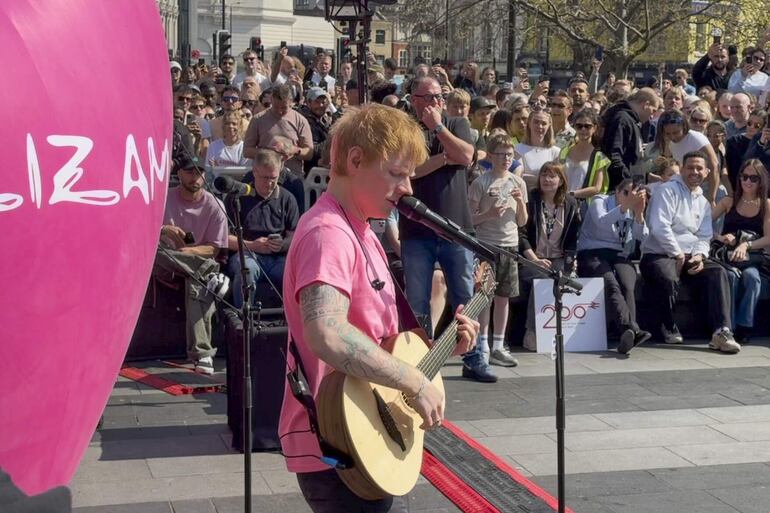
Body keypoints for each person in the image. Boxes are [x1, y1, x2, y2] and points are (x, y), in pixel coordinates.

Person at [278, 104, 479, 513]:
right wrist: (415, 382)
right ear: (355, 160)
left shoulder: (363, 231)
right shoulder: (328, 233)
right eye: (397, 173)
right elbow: (327, 333)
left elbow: (380, 341)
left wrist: (442, 349)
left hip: (367, 428)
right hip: (339, 438)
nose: (408, 186)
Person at [398, 77, 491, 382]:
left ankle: (474, 358)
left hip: (456, 228)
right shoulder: (406, 129)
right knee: (417, 300)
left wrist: (439, 128)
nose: (436, 102)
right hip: (416, 229)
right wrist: (442, 158)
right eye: (430, 97)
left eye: (440, 96)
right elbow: (411, 170)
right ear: (415, 100)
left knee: (465, 295)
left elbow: (466, 156)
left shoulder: (457, 122)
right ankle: (419, 360)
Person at [640, 151, 740, 352]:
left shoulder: (702, 201)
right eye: (690, 167)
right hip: (659, 253)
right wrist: (677, 253)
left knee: (718, 272)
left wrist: (700, 256)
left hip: (688, 254)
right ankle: (667, 326)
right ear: (682, 169)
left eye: (699, 168)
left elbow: (704, 236)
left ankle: (721, 331)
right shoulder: (666, 191)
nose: (694, 172)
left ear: (707, 172)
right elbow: (660, 227)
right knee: (666, 276)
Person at [155, 157, 229, 375]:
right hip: (163, 262)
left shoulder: (215, 205)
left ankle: (202, 355)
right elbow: (144, 233)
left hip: (191, 264)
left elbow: (214, 249)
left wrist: (185, 253)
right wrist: (163, 230)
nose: (195, 177)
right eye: (189, 172)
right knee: (153, 251)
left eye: (199, 172)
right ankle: (210, 276)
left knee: (196, 281)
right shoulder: (164, 198)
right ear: (179, 175)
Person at [468, 134, 528, 367]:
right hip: (486, 244)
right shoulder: (481, 182)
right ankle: (482, 342)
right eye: (501, 154)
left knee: (504, 297)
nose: (506, 159)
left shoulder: (518, 182)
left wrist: (520, 202)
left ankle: (498, 344)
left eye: (510, 155)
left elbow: (522, 222)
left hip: (510, 244)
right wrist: (489, 214)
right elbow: (470, 219)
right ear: (491, 156)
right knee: (485, 296)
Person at [577, 180, 651, 354]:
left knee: (627, 283)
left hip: (618, 254)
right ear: (616, 191)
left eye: (633, 194)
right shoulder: (599, 201)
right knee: (610, 282)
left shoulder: (633, 209)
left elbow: (643, 237)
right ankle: (631, 328)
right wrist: (625, 206)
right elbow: (602, 222)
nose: (629, 197)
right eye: (626, 193)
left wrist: (639, 214)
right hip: (592, 251)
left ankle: (629, 333)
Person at [519, 162, 581, 351]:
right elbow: (521, 235)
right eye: (544, 175)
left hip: (558, 260)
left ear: (561, 180)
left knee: (565, 279)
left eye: (552, 176)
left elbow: (572, 239)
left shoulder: (570, 204)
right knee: (544, 278)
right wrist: (534, 259)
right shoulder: (532, 199)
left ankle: (571, 335)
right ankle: (532, 334)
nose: (547, 179)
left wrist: (571, 262)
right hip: (531, 258)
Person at [226, 150, 299, 307]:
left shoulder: (287, 198)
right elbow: (223, 238)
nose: (270, 183)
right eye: (265, 178)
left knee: (295, 272)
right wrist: (253, 245)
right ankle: (243, 317)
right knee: (247, 270)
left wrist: (282, 244)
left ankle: (291, 321)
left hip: (277, 256)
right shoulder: (237, 197)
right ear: (254, 172)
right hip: (246, 253)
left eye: (274, 178)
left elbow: (294, 237)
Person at [711, 159, 770, 344]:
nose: (748, 182)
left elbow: (768, 237)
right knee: (731, 277)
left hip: (751, 257)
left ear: (761, 181)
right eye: (745, 176)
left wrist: (746, 245)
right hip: (728, 256)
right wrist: (720, 237)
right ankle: (730, 327)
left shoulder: (766, 204)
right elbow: (703, 225)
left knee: (752, 278)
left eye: (754, 178)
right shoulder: (730, 200)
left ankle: (745, 325)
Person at [243, 84, 313, 176]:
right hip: (265, 174)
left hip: (292, 174)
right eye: (276, 107)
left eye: (284, 108)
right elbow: (247, 151)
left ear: (291, 102)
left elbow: (309, 152)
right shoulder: (258, 119)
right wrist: (269, 153)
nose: (280, 111)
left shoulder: (300, 121)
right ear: (271, 99)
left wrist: (294, 150)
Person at [656, 109, 721, 204]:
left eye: (676, 132)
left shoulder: (696, 138)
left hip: (709, 188)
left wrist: (712, 198)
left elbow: (714, 166)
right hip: (689, 188)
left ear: (684, 126)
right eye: (668, 133)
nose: (673, 137)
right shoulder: (669, 142)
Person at [601, 88, 659, 190]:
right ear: (646, 104)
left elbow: (632, 160)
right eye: (653, 110)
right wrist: (630, 183)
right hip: (621, 191)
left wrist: (645, 176)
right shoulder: (622, 120)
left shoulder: (632, 122)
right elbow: (613, 156)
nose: (652, 116)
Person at [560, 108, 609, 200]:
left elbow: (597, 188)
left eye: (587, 126)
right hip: (562, 202)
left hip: (583, 206)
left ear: (594, 128)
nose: (583, 129)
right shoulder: (564, 151)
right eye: (579, 126)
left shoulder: (599, 156)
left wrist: (571, 194)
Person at [515, 109, 561, 189]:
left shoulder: (555, 152)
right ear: (529, 123)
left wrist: (531, 178)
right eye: (536, 122)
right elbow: (518, 177)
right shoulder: (518, 149)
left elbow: (558, 179)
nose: (540, 126)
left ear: (549, 125)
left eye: (544, 123)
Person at [297, 87, 335, 173]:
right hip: (312, 170)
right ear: (308, 103)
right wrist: (332, 139)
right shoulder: (305, 121)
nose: (321, 105)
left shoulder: (327, 117)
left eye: (323, 102)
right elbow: (313, 151)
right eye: (317, 102)